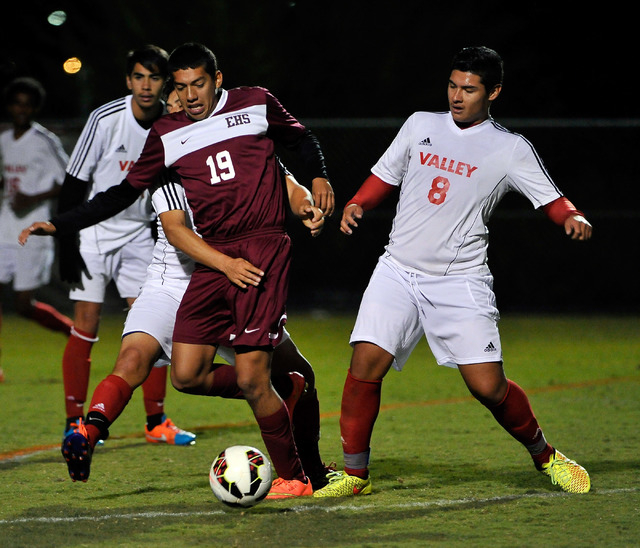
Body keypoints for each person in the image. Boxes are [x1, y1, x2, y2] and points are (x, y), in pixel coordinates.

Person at [22, 43, 333, 499]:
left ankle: (305, 468)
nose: (184, 99)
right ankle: (90, 430)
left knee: (274, 374)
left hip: (245, 260)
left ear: (216, 80)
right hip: (192, 273)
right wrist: (63, 225)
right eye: (178, 91)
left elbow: (290, 168)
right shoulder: (167, 147)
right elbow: (136, 204)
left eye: (194, 87)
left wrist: (311, 193)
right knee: (172, 371)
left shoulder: (250, 113)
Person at [313, 46, 593, 498]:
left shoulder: (510, 148)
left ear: (494, 92)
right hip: (398, 270)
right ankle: (354, 474)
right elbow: (386, 174)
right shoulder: (420, 124)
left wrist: (572, 218)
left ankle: (545, 456)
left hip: (459, 280)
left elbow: (552, 198)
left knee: (488, 386)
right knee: (364, 365)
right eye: (452, 85)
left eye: (469, 88)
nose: (457, 96)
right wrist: (357, 203)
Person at [56, 45, 193, 445]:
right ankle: (74, 422)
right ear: (128, 80)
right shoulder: (105, 118)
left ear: (165, 82)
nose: (145, 85)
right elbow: (74, 181)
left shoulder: (175, 123)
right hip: (94, 235)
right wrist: (67, 241)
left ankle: (156, 422)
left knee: (151, 323)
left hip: (140, 236)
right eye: (138, 77)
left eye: (153, 77)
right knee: (86, 325)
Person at [0, 77, 73, 383]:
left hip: (33, 232)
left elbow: (69, 179)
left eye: (27, 104)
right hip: (4, 226)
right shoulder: (3, 140)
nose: (21, 109)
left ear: (34, 108)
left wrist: (34, 197)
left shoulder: (45, 141)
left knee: (23, 305)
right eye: (17, 103)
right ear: (9, 105)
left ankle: (74, 332)